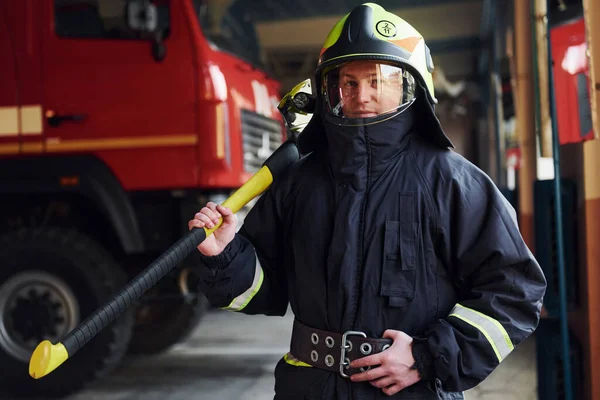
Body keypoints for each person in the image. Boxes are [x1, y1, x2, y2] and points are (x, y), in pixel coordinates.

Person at [188, 3, 547, 399]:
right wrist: (226, 255)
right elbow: (264, 290)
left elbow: (514, 292)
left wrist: (428, 356)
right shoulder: (297, 182)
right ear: (330, 90)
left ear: (411, 86)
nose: (363, 95)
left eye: (380, 80)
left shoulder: (454, 182)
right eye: (349, 82)